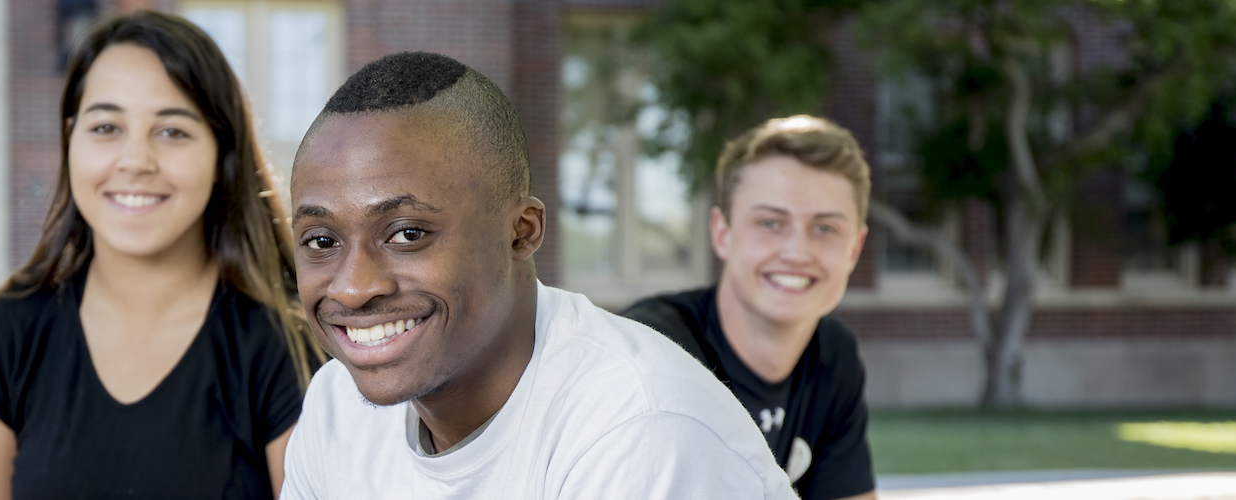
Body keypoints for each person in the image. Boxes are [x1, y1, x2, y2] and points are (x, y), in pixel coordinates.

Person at [278, 51, 794, 499]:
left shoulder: (640, 428)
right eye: (322, 242)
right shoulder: (337, 406)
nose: (353, 286)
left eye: (408, 233)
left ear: (521, 233)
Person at [0, 10, 323, 499]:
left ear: (220, 157)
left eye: (172, 132)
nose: (136, 162)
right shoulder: (1, 340)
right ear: (70, 140)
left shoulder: (287, 344)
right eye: (106, 128)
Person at [618, 115, 877, 500]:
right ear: (722, 234)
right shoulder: (654, 350)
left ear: (854, 249)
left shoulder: (833, 357)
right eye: (770, 223)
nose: (797, 252)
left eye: (825, 228)